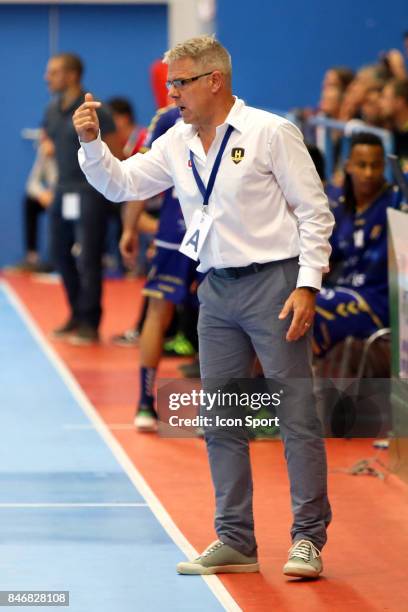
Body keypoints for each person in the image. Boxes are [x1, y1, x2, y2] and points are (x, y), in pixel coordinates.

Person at [73, 35, 334, 578]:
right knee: (221, 418)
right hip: (215, 292)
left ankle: (308, 538)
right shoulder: (175, 140)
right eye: (171, 84)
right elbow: (123, 185)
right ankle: (235, 539)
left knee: (295, 415)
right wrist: (94, 145)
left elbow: (314, 213)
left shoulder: (270, 132)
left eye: (181, 83)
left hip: (275, 284)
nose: (171, 95)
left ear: (215, 80)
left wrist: (307, 285)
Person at [120, 104, 201, 431]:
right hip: (201, 227)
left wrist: (130, 227)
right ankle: (145, 401)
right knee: (214, 316)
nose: (173, 89)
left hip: (191, 228)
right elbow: (141, 174)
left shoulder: (170, 116)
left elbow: (139, 177)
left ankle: (145, 404)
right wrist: (130, 226)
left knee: (162, 311)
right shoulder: (175, 116)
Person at [43, 52, 121, 345]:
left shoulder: (94, 110)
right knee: (59, 254)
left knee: (88, 258)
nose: (47, 78)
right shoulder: (51, 110)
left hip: (90, 193)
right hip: (62, 191)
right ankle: (76, 313)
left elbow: (115, 154)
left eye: (53, 72)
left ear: (72, 75)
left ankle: (90, 321)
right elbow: (48, 144)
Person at [313, 133, 400, 357]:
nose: (369, 173)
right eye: (362, 165)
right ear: (348, 166)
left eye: (375, 166)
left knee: (308, 315)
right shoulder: (342, 208)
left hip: (375, 301)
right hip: (341, 290)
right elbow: (326, 257)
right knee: (279, 306)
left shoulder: (395, 201)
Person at [14, 136, 57, 272]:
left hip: (72, 195)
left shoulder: (75, 147)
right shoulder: (44, 150)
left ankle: (73, 257)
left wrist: (58, 192)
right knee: (30, 202)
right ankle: (32, 258)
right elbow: (32, 182)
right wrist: (42, 194)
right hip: (52, 197)